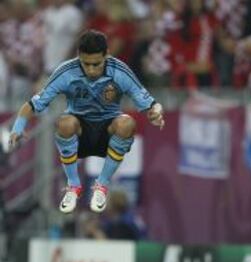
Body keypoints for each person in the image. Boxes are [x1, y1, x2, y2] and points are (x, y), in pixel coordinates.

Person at [8, 29, 165, 214]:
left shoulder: (120, 70)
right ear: (79, 57)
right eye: (86, 64)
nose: (91, 70)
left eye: (96, 64)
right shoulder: (66, 71)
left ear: (106, 55)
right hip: (80, 132)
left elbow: (152, 104)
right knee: (64, 123)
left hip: (108, 132)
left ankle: (102, 186)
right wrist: (17, 128)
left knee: (127, 124)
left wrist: (156, 113)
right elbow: (32, 104)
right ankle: (73, 186)